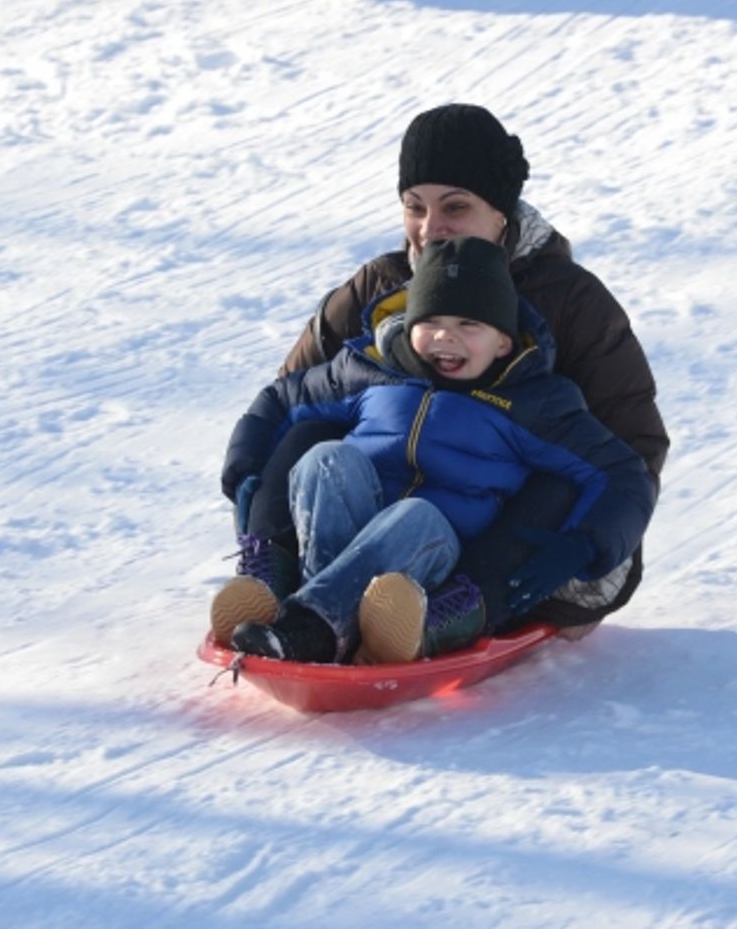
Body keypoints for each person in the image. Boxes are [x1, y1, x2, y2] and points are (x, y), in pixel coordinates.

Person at [266, 102, 669, 640]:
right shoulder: (377, 288)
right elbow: (287, 400)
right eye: (414, 207)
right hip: (369, 519)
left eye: (454, 206)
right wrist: (261, 517)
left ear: (501, 212)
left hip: (507, 539)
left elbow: (630, 448)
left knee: (556, 479)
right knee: (312, 434)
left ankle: (453, 608)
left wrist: (587, 544)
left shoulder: (571, 301)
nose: (431, 229)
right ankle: (305, 598)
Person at [212, 236, 654, 664]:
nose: (446, 338)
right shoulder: (371, 370)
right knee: (326, 459)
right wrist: (248, 473)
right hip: (350, 539)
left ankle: (315, 627)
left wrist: (584, 545)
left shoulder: (534, 402)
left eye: (469, 325)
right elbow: (281, 400)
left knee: (416, 514)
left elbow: (620, 473)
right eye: (431, 322)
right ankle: (317, 612)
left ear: (502, 340)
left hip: (434, 557)